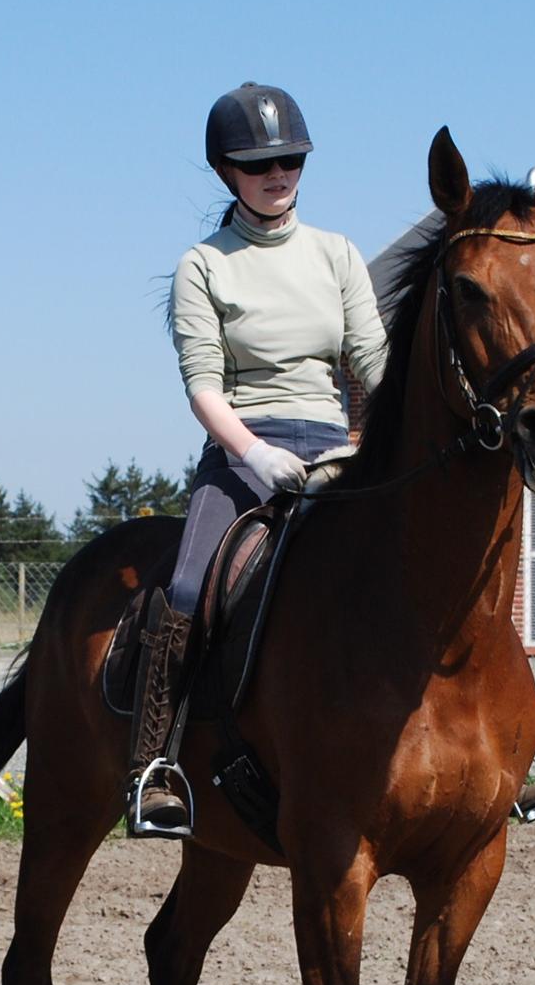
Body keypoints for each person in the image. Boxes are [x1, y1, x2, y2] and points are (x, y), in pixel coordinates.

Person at [126, 82, 388, 837]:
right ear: (226, 172)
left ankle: (497, 748)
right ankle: (155, 765)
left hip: (336, 448)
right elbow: (202, 387)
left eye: (289, 159)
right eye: (259, 163)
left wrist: (390, 428)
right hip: (243, 455)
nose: (278, 174)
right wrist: (254, 452)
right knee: (181, 588)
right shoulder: (203, 265)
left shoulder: (338, 255)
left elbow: (373, 360)